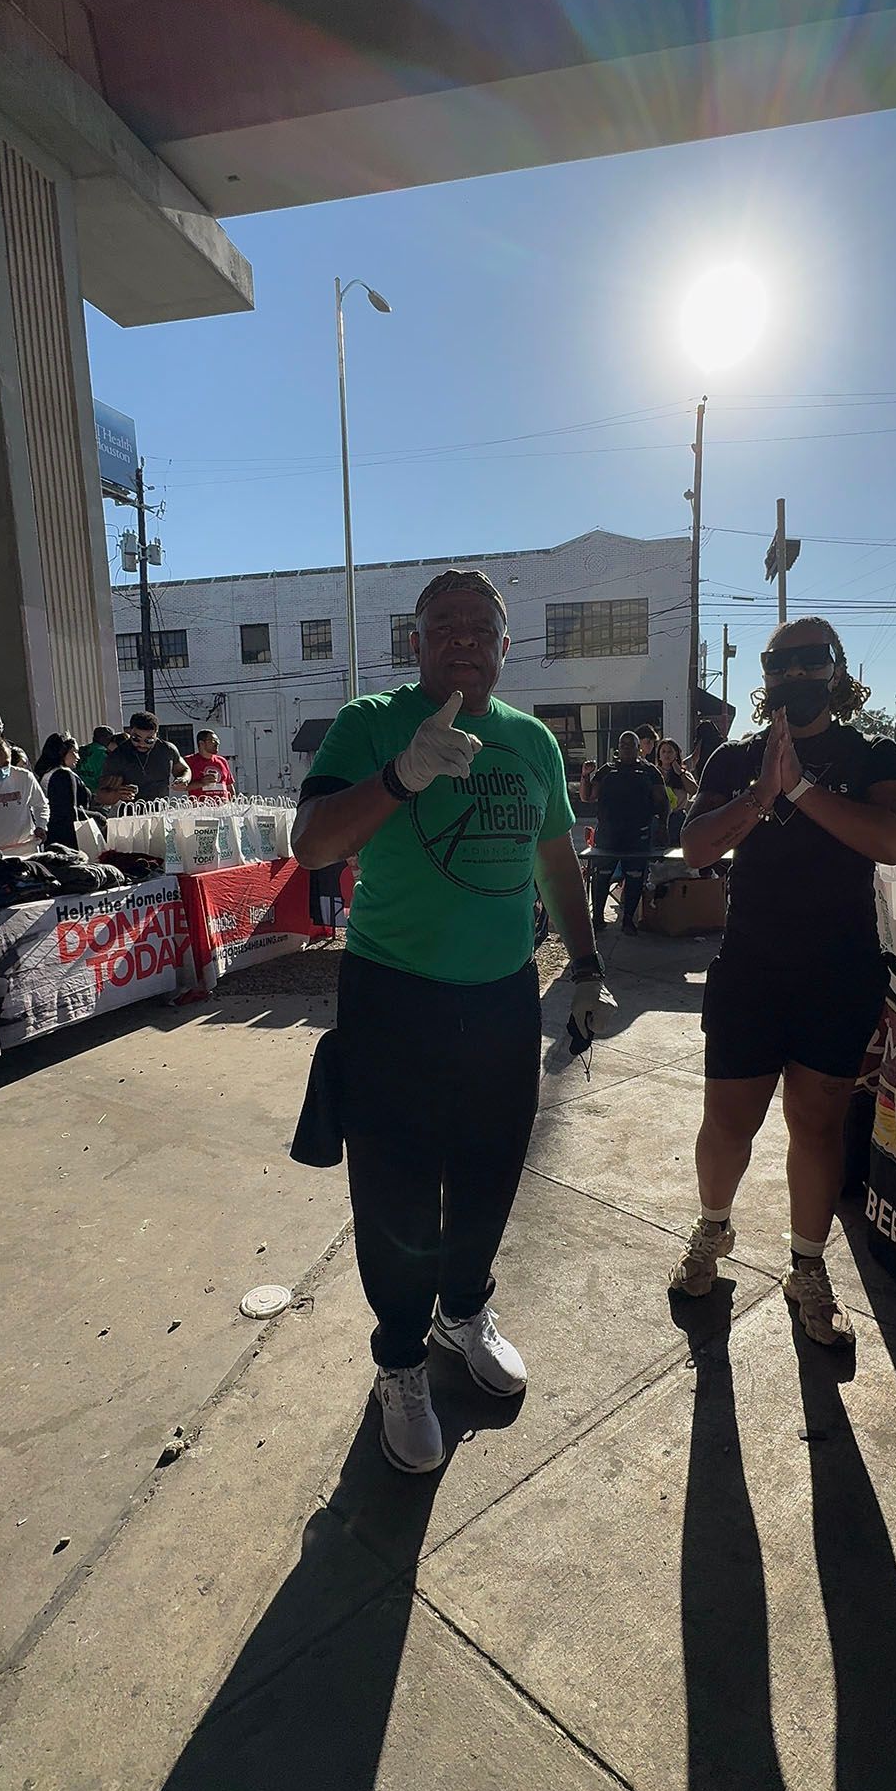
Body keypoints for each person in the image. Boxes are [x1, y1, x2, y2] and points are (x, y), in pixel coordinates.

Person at [291, 568, 611, 1474]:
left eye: (481, 625)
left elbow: (558, 861)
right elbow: (312, 844)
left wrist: (585, 965)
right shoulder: (371, 722)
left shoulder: (531, 742)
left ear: (507, 648)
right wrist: (399, 776)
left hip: (503, 994)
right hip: (394, 993)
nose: (464, 637)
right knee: (392, 1188)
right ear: (418, 645)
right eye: (445, 625)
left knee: (490, 1165)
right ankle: (399, 1359)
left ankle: (463, 1311)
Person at [670, 616, 896, 1346]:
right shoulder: (734, 758)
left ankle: (806, 1267)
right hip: (750, 972)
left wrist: (802, 788)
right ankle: (713, 1230)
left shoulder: (873, 753)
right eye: (780, 663)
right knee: (728, 1124)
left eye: (811, 662)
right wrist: (762, 794)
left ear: (837, 671)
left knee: (815, 1126)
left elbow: (892, 840)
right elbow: (694, 848)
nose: (795, 676)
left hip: (838, 975)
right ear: (765, 676)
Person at [580, 731, 669, 935]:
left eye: (631, 744)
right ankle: (598, 919)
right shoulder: (607, 770)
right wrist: (585, 775)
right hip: (608, 835)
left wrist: (663, 826)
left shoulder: (649, 771)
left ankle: (628, 920)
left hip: (638, 834)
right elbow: (587, 797)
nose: (626, 748)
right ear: (618, 748)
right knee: (601, 875)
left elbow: (662, 802)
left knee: (635, 876)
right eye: (623, 744)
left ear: (639, 748)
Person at [33, 733, 105, 854]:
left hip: (54, 835)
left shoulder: (48, 773)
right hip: (69, 838)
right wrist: (97, 816)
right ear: (63, 752)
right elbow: (68, 810)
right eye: (74, 752)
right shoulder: (63, 774)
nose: (78, 757)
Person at [99, 711, 189, 802]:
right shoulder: (118, 756)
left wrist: (183, 779)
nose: (142, 744)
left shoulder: (167, 749)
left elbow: (184, 770)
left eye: (149, 740)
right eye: (136, 739)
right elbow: (101, 795)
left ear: (156, 734)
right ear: (130, 731)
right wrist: (117, 794)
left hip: (161, 810)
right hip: (132, 812)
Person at [0, 733, 49, 854]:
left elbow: (41, 805)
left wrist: (41, 826)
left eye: (6, 764)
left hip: (27, 849)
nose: (1, 769)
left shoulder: (24, 777)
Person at [657, 736, 699, 845]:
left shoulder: (683, 772)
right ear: (659, 756)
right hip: (659, 817)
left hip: (677, 817)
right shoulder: (654, 772)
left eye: (670, 751)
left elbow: (694, 790)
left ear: (676, 754)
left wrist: (680, 773)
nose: (667, 755)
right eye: (664, 752)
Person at [185, 730, 236, 801]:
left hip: (223, 809)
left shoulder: (222, 761)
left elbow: (229, 786)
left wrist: (234, 804)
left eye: (217, 740)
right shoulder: (189, 761)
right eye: (213, 740)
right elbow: (180, 786)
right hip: (201, 809)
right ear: (201, 743)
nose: (217, 743)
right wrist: (201, 783)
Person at [77, 725, 115, 797]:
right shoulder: (104, 754)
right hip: (94, 795)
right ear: (108, 739)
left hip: (76, 791)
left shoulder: (79, 750)